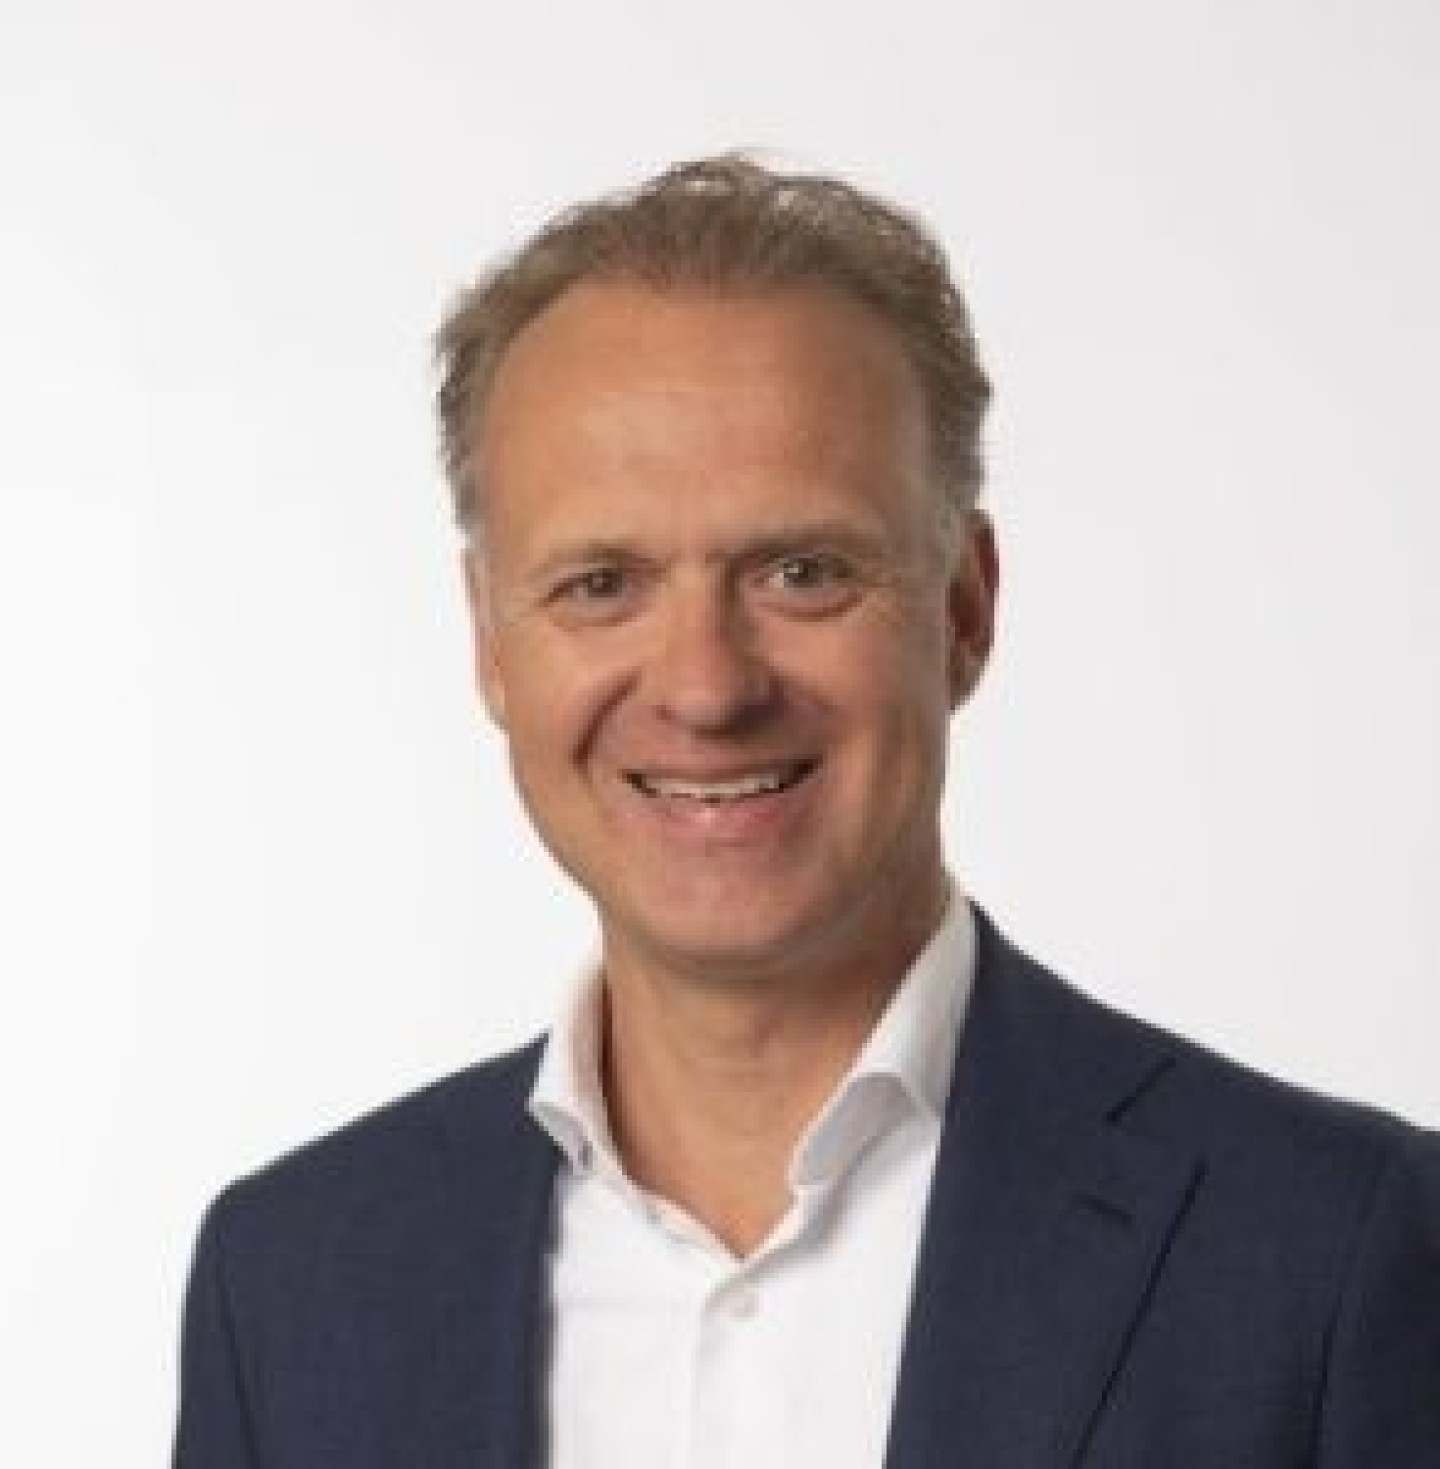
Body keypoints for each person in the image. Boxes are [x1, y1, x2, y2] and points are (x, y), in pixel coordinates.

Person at [172, 155, 1440, 1467]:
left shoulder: (1337, 1254)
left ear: (965, 609)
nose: (706, 687)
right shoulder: (290, 1286)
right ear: (492, 644)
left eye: (802, 571)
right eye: (602, 584)